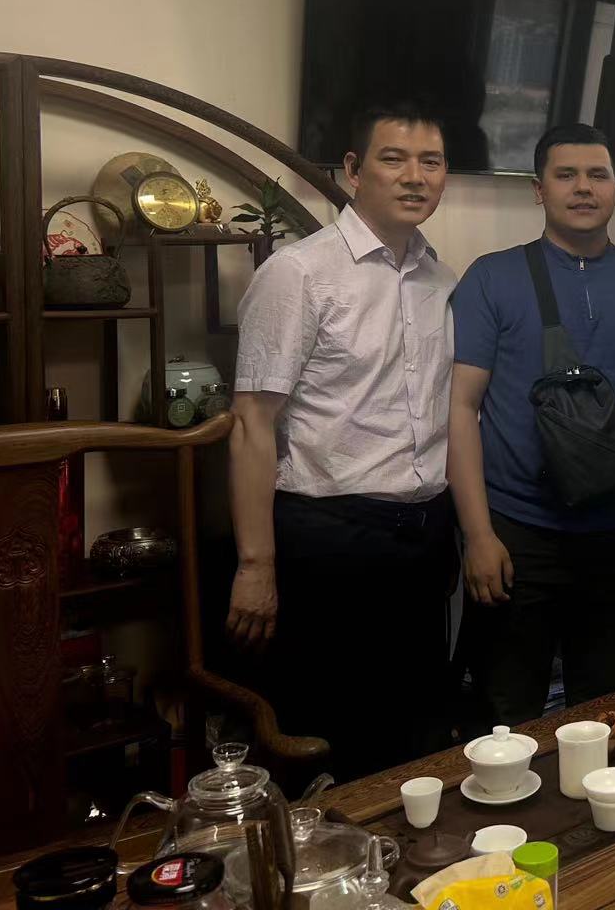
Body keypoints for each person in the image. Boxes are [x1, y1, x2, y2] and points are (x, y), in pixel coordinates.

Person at [226, 102, 458, 780]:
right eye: (394, 159)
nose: (415, 177)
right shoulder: (300, 274)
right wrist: (255, 564)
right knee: (331, 733)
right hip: (330, 537)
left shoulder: (440, 279)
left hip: (424, 535)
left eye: (431, 162)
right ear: (353, 170)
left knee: (415, 731)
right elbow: (251, 422)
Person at [451, 124, 615, 724]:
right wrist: (478, 536)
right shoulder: (491, 278)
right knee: (506, 718)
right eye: (566, 175)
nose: (583, 188)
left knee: (609, 716)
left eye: (598, 175)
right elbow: (461, 407)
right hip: (517, 534)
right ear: (539, 190)